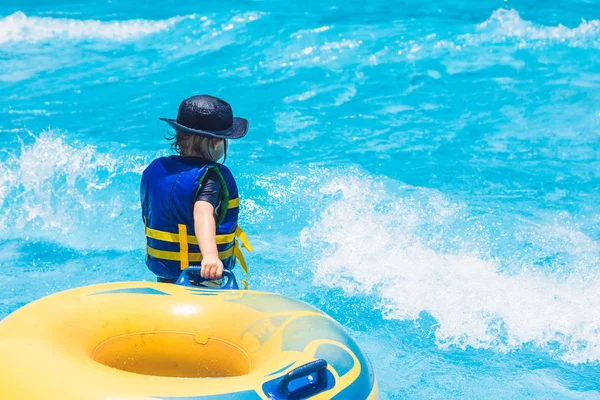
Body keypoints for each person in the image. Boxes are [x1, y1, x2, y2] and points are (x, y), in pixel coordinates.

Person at [140, 95, 252, 288]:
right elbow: (202, 213)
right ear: (217, 142)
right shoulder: (210, 177)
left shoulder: (159, 170)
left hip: (166, 277)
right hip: (203, 276)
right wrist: (210, 256)